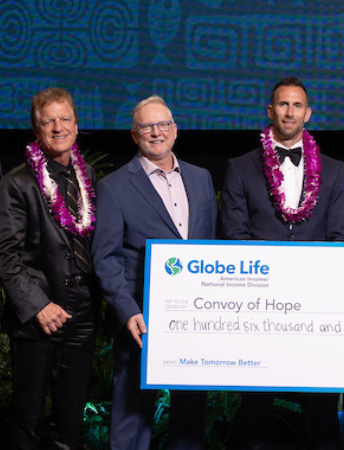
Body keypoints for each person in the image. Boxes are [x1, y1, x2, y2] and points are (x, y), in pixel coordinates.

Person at [221, 77, 344, 449]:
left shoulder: (334, 170)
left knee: (320, 410)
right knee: (257, 410)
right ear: (270, 111)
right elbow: (234, 237)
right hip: (259, 309)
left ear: (307, 114)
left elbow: (340, 238)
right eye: (282, 104)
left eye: (297, 105)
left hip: (316, 310)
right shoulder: (240, 167)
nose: (289, 112)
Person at [92, 95, 217, 449]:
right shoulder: (114, 186)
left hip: (195, 316)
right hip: (140, 319)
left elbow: (212, 245)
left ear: (175, 130)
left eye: (163, 124)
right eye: (146, 126)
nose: (156, 132)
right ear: (134, 135)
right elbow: (106, 258)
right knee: (132, 414)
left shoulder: (202, 178)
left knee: (190, 413)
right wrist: (127, 310)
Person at [0, 87, 98, 448]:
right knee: (26, 419)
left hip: (83, 312)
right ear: (36, 129)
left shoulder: (88, 177)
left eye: (65, 119)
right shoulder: (17, 182)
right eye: (49, 121)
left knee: (70, 420)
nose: (58, 127)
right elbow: (5, 254)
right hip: (40, 314)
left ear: (76, 124)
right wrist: (38, 306)